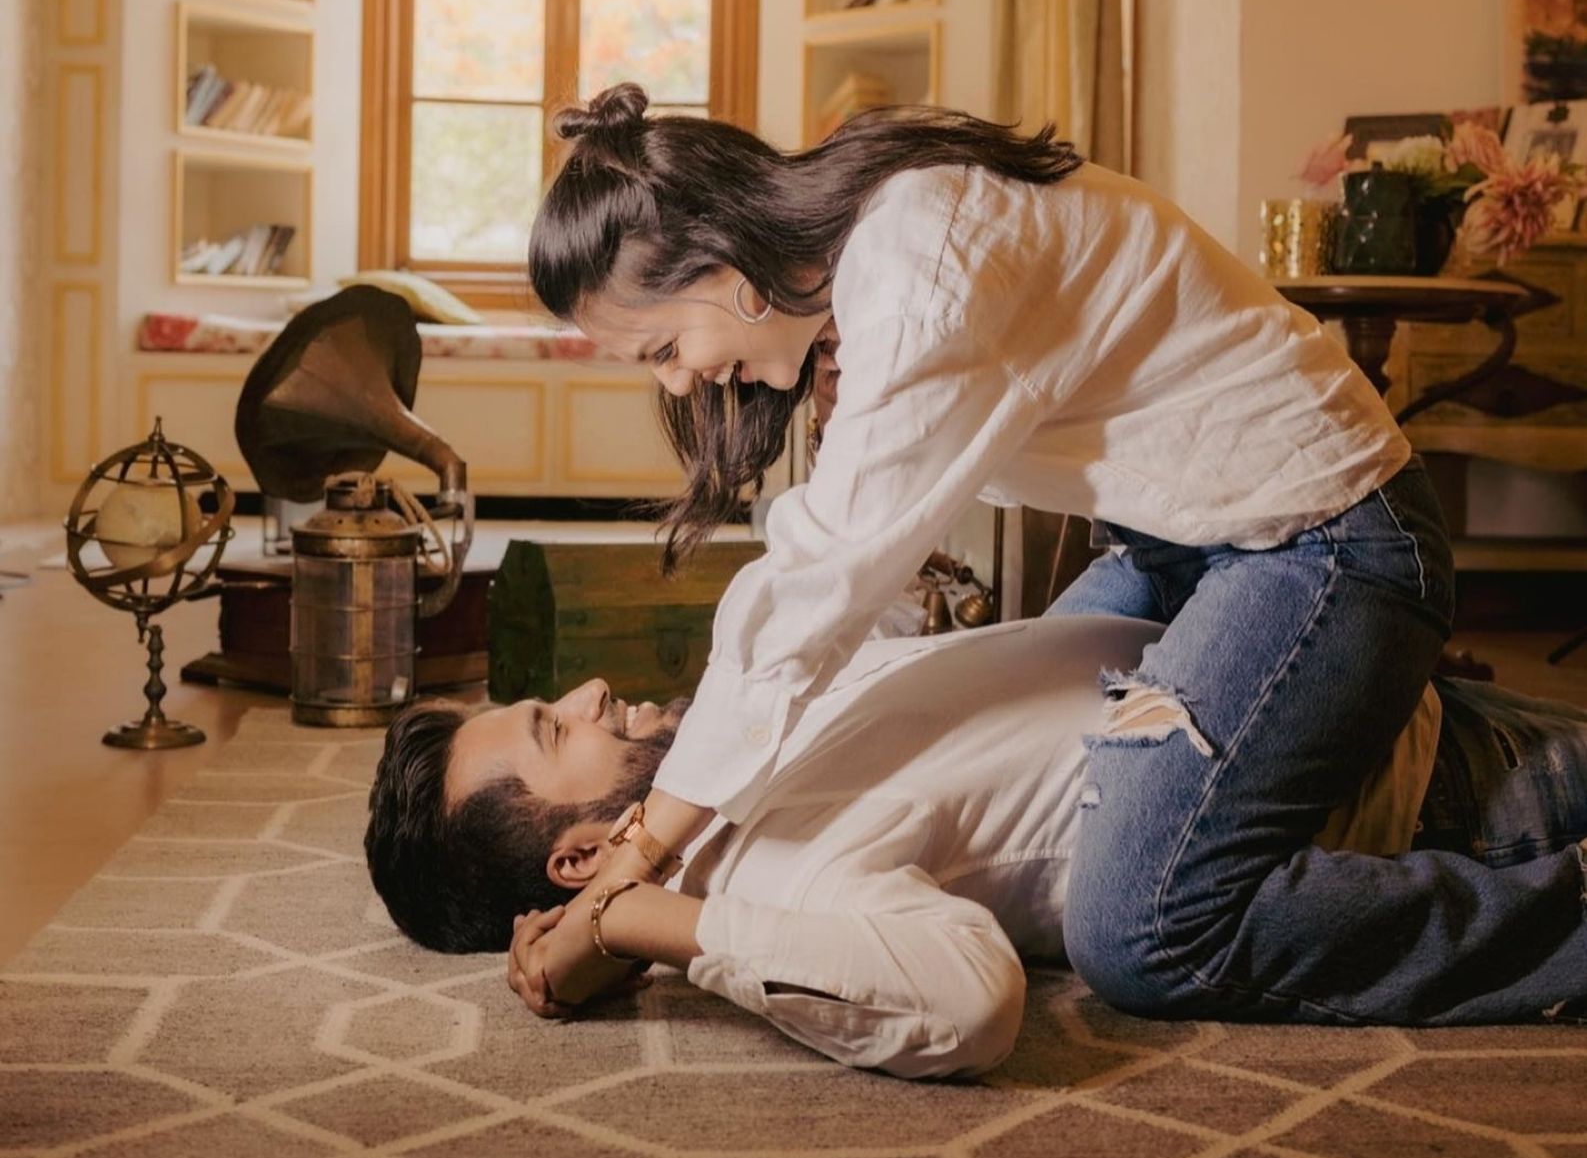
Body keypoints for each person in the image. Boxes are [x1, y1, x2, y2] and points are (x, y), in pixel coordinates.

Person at [518, 81, 1587, 1027]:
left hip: (1325, 540)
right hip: (1186, 543)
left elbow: (815, 586)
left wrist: (640, 857)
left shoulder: (917, 263)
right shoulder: (872, 264)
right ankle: (1457, 744)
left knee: (1145, 928)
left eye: (664, 348)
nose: (677, 382)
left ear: (725, 266)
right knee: (1053, 750)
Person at [362, 616, 1587, 1078]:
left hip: (1349, 690)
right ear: (580, 858)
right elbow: (966, 1005)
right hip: (1454, 798)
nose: (587, 691)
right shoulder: (774, 875)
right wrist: (642, 923)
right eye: (555, 729)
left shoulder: (728, 756)